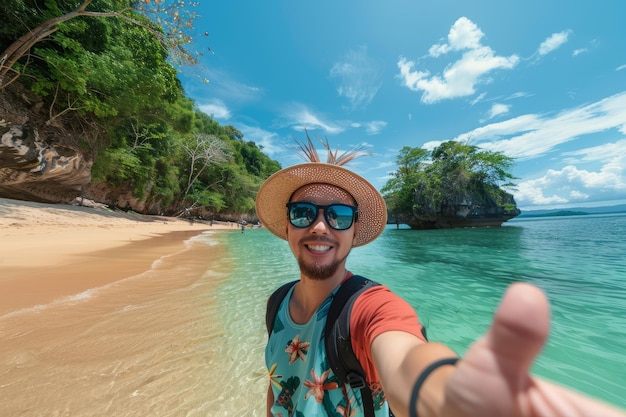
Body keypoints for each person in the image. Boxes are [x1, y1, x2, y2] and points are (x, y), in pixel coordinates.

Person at [255, 140, 626, 417]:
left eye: (338, 215)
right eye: (303, 213)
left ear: (354, 232)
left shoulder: (370, 307)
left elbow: (404, 359)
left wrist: (439, 393)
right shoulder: (277, 304)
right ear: (287, 225)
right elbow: (278, 385)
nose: (320, 226)